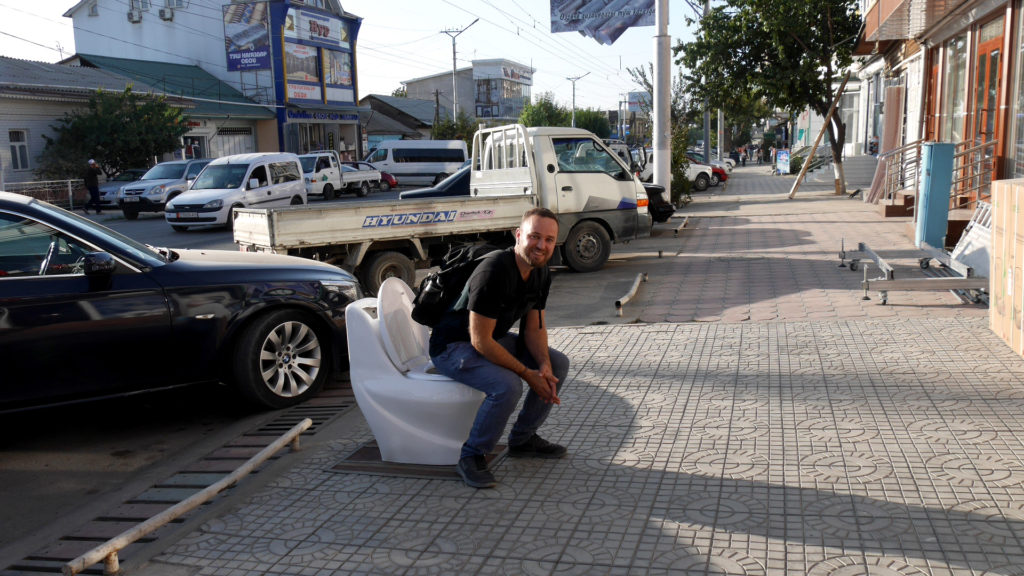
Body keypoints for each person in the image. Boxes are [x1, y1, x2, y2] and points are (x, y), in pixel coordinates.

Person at [429, 207, 570, 489]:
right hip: (453, 346)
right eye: (534, 237)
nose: (542, 246)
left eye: (549, 240)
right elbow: (480, 341)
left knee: (557, 363)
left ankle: (522, 439)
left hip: (490, 338)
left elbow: (535, 328)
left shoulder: (540, 272)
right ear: (518, 236)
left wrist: (542, 365)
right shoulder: (494, 270)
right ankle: (472, 456)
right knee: (508, 386)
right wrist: (526, 373)